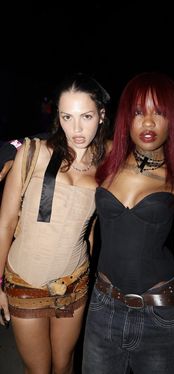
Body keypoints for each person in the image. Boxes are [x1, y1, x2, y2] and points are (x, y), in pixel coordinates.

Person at [82, 71, 174, 374]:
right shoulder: (108, 157)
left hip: (160, 315)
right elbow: (67, 140)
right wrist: (16, 151)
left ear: (172, 119)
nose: (148, 122)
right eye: (138, 112)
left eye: (159, 112)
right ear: (126, 118)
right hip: (103, 307)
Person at [0, 72, 110, 374]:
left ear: (101, 115)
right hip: (25, 283)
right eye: (67, 117)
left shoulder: (108, 164)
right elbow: (6, 223)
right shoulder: (33, 153)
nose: (76, 128)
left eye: (86, 116)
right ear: (57, 117)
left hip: (74, 283)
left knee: (64, 366)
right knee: (39, 370)